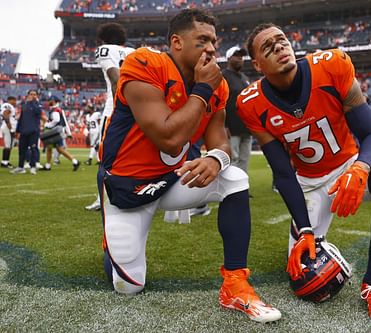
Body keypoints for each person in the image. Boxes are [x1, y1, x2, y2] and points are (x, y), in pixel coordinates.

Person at [98, 9, 281, 323]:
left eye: (214, 40)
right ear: (176, 42)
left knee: (235, 177)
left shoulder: (216, 84)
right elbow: (168, 139)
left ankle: (235, 283)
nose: (211, 48)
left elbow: (220, 140)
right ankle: (111, 247)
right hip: (128, 187)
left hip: (172, 180)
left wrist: (216, 157)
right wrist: (202, 89)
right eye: (202, 40)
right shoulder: (145, 63)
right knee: (128, 285)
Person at [237, 23, 371, 324]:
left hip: (349, 164)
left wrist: (360, 166)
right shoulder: (251, 103)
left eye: (282, 40)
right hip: (310, 183)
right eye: (268, 47)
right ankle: (308, 232)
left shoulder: (331, 66)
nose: (279, 47)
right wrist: (304, 229)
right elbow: (283, 174)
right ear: (257, 64)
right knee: (304, 280)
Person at [85, 23, 135, 211]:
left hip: (116, 110)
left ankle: (103, 199)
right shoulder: (134, 51)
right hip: (139, 110)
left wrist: (121, 110)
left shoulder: (105, 50)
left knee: (106, 160)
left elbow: (117, 79)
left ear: (103, 39)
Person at [222, 46, 252, 172]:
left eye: (241, 56)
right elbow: (220, 102)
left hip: (247, 126)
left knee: (244, 160)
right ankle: (233, 191)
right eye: (236, 55)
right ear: (228, 58)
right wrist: (223, 125)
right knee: (233, 160)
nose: (240, 58)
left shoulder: (245, 78)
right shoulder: (223, 76)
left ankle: (243, 189)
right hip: (232, 127)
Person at [41, 96, 80, 171]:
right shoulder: (58, 109)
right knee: (52, 148)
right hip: (58, 131)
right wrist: (68, 132)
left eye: (49, 100)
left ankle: (75, 161)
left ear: (53, 101)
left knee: (58, 149)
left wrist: (47, 125)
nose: (48, 102)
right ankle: (48, 165)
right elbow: (64, 122)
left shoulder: (55, 110)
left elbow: (56, 120)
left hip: (55, 132)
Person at [11, 90, 45, 175]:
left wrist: (34, 102)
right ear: (28, 95)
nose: (32, 96)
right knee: (22, 150)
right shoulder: (24, 106)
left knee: (33, 149)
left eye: (34, 94)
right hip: (24, 131)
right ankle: (20, 167)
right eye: (31, 94)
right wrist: (18, 130)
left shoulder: (38, 105)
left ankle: (33, 167)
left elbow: (38, 112)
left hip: (33, 131)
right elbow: (21, 119)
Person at [1, 96, 17, 168]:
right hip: (8, 127)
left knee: (9, 145)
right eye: (14, 100)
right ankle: (5, 163)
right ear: (11, 100)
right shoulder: (8, 105)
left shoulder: (6, 106)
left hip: (7, 127)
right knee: (8, 145)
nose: (15, 102)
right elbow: (6, 115)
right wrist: (11, 128)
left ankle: (5, 161)